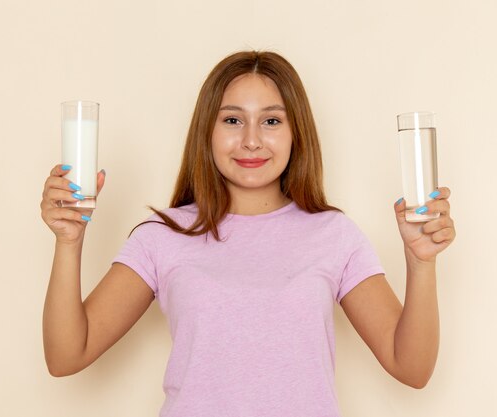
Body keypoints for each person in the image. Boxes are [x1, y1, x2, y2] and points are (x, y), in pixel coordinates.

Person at [40, 50, 456, 417]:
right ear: (208, 130)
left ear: (297, 134)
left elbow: (412, 368)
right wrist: (68, 242)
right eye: (233, 120)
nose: (252, 140)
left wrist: (421, 263)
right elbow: (66, 355)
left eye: (271, 120)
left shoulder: (335, 235)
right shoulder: (162, 236)